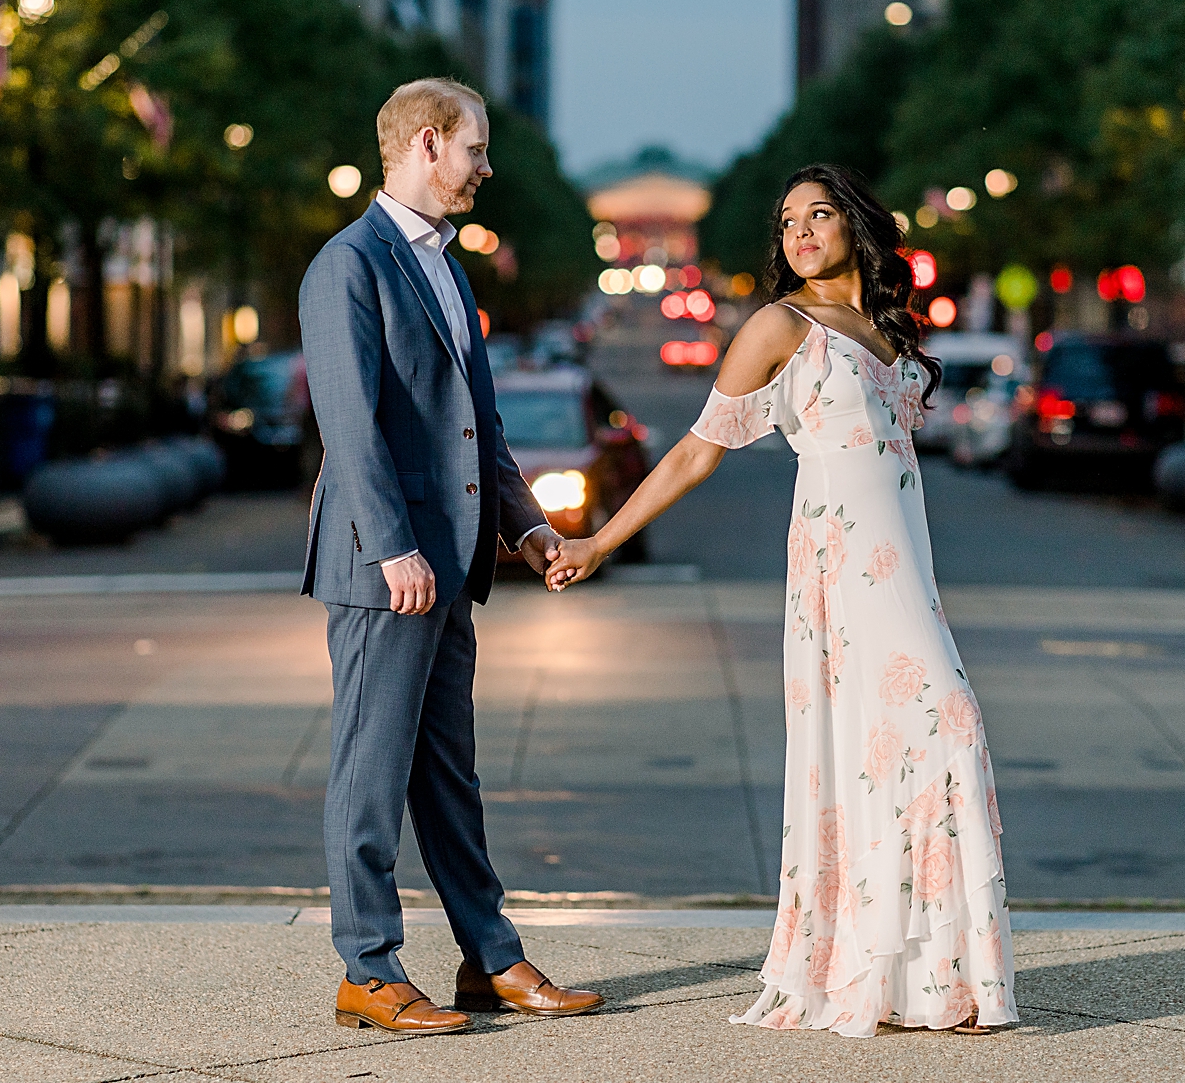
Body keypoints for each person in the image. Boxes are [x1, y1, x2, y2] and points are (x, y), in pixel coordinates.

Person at [547, 163, 1017, 1038]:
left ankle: (927, 983)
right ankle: (878, 967)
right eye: (788, 221)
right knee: (944, 721)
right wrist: (598, 540)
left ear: (857, 227)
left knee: (907, 748)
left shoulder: (886, 330)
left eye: (820, 214)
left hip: (906, 565)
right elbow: (697, 449)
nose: (800, 232)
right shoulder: (779, 325)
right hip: (842, 566)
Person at [299, 77, 604, 1035]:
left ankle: (491, 959)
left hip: (450, 563)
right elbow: (349, 426)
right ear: (428, 143)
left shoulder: (447, 265)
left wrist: (524, 526)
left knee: (448, 776)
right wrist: (393, 547)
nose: (485, 167)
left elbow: (477, 426)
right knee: (370, 768)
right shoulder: (349, 264)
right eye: (475, 149)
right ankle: (367, 968)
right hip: (387, 569)